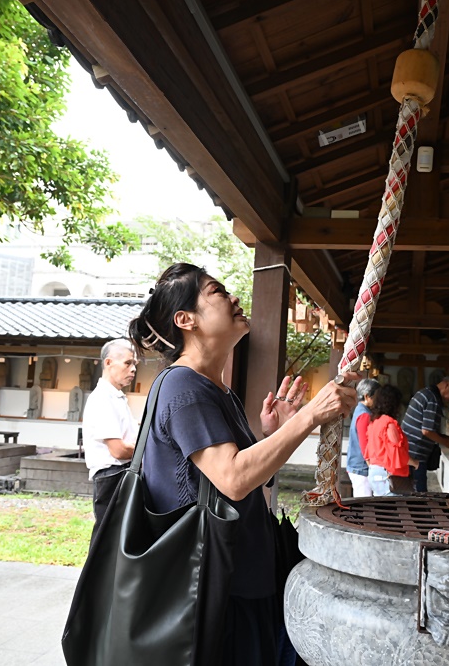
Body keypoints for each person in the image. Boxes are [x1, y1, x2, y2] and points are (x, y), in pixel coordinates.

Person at [128, 263, 356, 664]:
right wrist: (309, 417)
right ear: (186, 320)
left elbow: (238, 478)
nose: (234, 298)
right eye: (217, 292)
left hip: (241, 576)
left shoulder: (217, 389)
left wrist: (274, 435)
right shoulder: (184, 385)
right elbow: (234, 478)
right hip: (218, 587)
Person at [82, 338, 140, 530]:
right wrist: (148, 449)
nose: (133, 369)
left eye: (135, 364)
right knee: (108, 541)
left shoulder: (116, 397)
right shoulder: (102, 398)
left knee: (118, 539)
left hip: (120, 474)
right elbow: (119, 450)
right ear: (108, 363)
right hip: (112, 476)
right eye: (127, 363)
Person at [402, 374, 449, 492]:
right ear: (448, 385)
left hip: (410, 452)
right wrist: (446, 441)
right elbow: (427, 431)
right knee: (418, 496)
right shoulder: (433, 399)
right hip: (414, 455)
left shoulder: (426, 393)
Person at [364, 384, 417, 495]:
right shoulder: (389, 424)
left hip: (374, 473)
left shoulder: (374, 422)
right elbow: (397, 454)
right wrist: (415, 463)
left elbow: (367, 454)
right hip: (389, 477)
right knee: (394, 510)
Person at [346, 378, 379, 498]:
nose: (378, 400)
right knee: (363, 503)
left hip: (357, 465)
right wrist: (373, 467)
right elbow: (365, 445)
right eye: (376, 396)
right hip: (361, 468)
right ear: (367, 396)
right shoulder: (364, 415)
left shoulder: (359, 410)